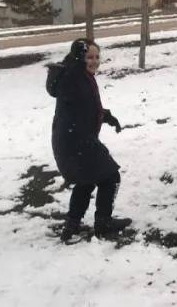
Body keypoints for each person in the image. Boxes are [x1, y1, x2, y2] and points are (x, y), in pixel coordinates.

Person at [46, 38, 131, 242]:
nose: (94, 61)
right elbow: (72, 88)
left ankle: (72, 225)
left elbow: (87, 105)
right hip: (77, 142)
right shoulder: (73, 77)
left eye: (97, 57)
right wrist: (76, 61)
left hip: (72, 141)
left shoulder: (81, 77)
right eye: (88, 57)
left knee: (87, 182)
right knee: (111, 177)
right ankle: (103, 223)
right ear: (78, 59)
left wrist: (108, 117)